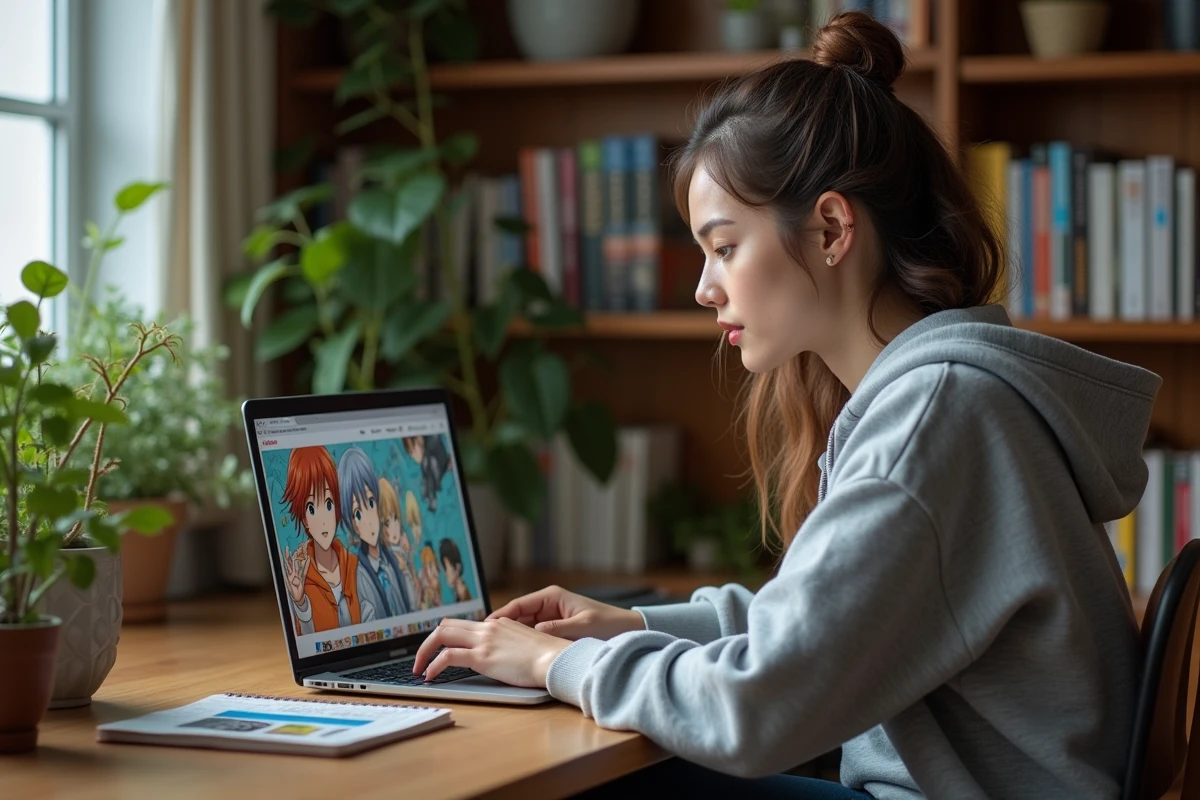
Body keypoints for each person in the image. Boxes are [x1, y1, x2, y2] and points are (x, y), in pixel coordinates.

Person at [410, 12, 1158, 799]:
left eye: (725, 247)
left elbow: (757, 705)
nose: (704, 288)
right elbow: (818, 629)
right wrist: (630, 627)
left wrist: (555, 664)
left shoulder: (934, 420)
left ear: (832, 227)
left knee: (582, 781)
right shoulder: (944, 398)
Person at [280, 446, 362, 634]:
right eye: (311, 508)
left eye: (328, 503)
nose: (323, 520)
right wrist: (300, 604)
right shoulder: (301, 579)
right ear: (304, 518)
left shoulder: (354, 566)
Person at [338, 446, 409, 620]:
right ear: (353, 524)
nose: (368, 521)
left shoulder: (393, 562)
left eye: (370, 502)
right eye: (357, 513)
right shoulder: (358, 576)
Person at [380, 477, 420, 613]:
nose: (393, 527)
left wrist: (408, 558)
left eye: (395, 518)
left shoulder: (403, 550)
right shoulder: (386, 560)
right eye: (387, 523)